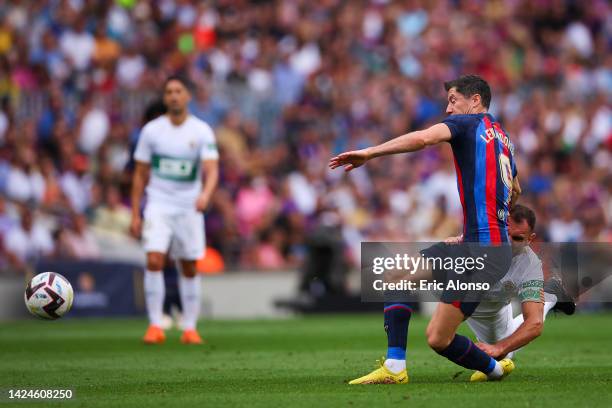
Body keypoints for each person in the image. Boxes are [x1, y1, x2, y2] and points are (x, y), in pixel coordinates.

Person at [330, 75, 521, 384]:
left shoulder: (467, 124)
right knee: (395, 276)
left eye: (453, 100)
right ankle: (395, 368)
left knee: (438, 338)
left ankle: (496, 368)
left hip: (484, 253)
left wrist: (369, 152)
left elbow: (422, 139)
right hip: (477, 244)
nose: (448, 109)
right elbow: (515, 188)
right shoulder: (503, 139)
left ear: (475, 101)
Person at [130, 75, 219, 345]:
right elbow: (140, 174)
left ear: (187, 96)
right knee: (154, 260)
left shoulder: (201, 130)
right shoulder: (152, 131)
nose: (174, 96)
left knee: (189, 265)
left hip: (188, 205)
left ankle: (190, 328)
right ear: (165, 97)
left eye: (178, 91)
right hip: (158, 203)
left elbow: (212, 169)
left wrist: (205, 194)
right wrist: (135, 213)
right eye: (169, 91)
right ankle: (155, 325)